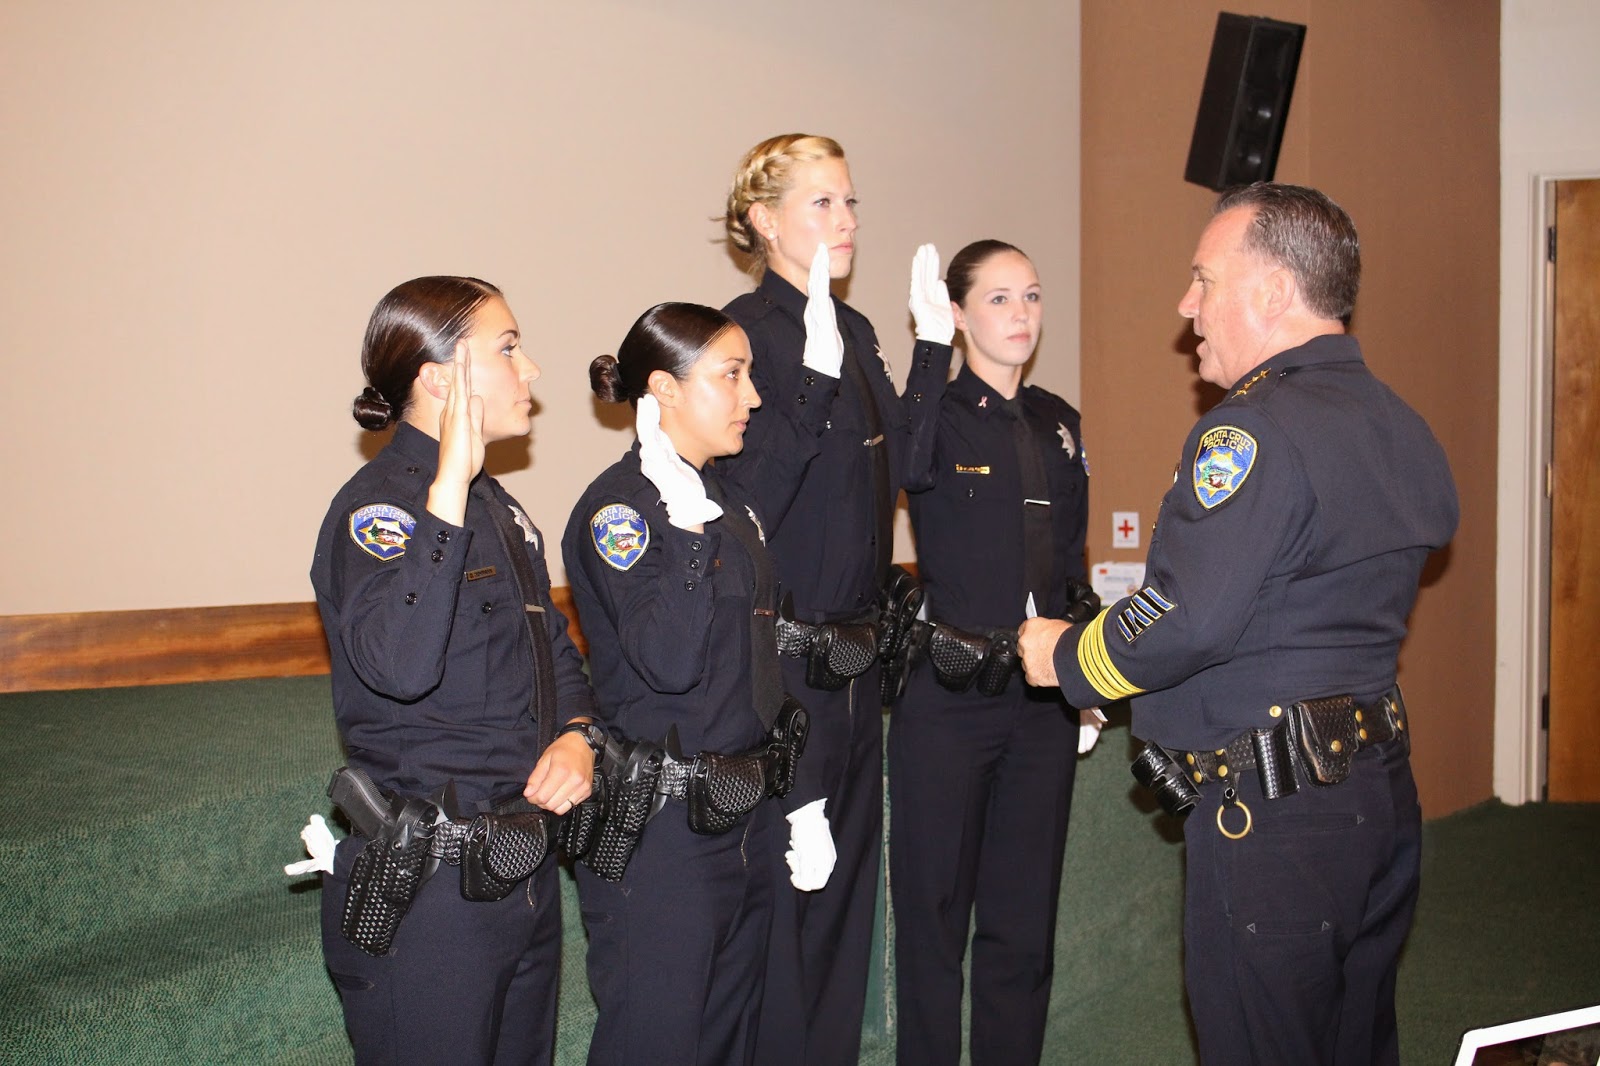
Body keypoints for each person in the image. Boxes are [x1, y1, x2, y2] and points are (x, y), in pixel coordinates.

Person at [1018, 184, 1459, 1066]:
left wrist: (1068, 657)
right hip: (1376, 791)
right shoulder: (1399, 422)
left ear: (1273, 292)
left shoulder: (1250, 433)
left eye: (1204, 280)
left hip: (1276, 814)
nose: (1187, 306)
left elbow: (1189, 616)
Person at [307, 276, 598, 1066]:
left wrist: (578, 736)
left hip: (522, 866)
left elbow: (553, 649)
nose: (531, 369)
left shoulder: (498, 506)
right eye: (508, 349)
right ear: (440, 379)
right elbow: (399, 667)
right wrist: (445, 499)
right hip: (432, 894)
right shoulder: (379, 511)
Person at [718, 132, 955, 1065]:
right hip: (785, 674)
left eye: (851, 201)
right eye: (822, 202)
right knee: (788, 917)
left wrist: (932, 348)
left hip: (858, 668)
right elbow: (751, 504)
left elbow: (915, 466)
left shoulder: (852, 330)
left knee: (846, 911)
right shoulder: (742, 335)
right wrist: (812, 385)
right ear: (764, 221)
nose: (847, 220)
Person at [560, 293, 827, 1065]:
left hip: (743, 818)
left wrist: (801, 797)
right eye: (731, 375)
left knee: (728, 1045)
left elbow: (762, 662)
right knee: (657, 1044)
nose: (753, 397)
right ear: (664, 389)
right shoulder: (622, 511)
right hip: (663, 835)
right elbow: (670, 664)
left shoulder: (727, 498)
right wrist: (682, 534)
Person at [890, 240, 1097, 1066]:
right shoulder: (936, 415)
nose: (1021, 315)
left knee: (1023, 918)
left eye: (1032, 296)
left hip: (1041, 701)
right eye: (1000, 299)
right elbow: (903, 464)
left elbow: (1071, 560)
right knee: (934, 917)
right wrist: (928, 347)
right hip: (949, 700)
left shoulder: (1058, 421)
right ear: (960, 313)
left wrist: (1086, 674)